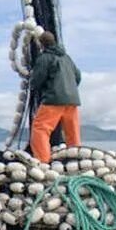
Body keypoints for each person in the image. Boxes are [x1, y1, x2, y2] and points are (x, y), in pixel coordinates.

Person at [29, 31, 82, 163]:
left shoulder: (44, 57)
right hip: (72, 100)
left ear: (41, 44)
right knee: (72, 133)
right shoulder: (66, 57)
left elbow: (37, 79)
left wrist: (32, 84)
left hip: (53, 99)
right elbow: (78, 76)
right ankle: (76, 161)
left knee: (40, 128)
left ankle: (43, 161)